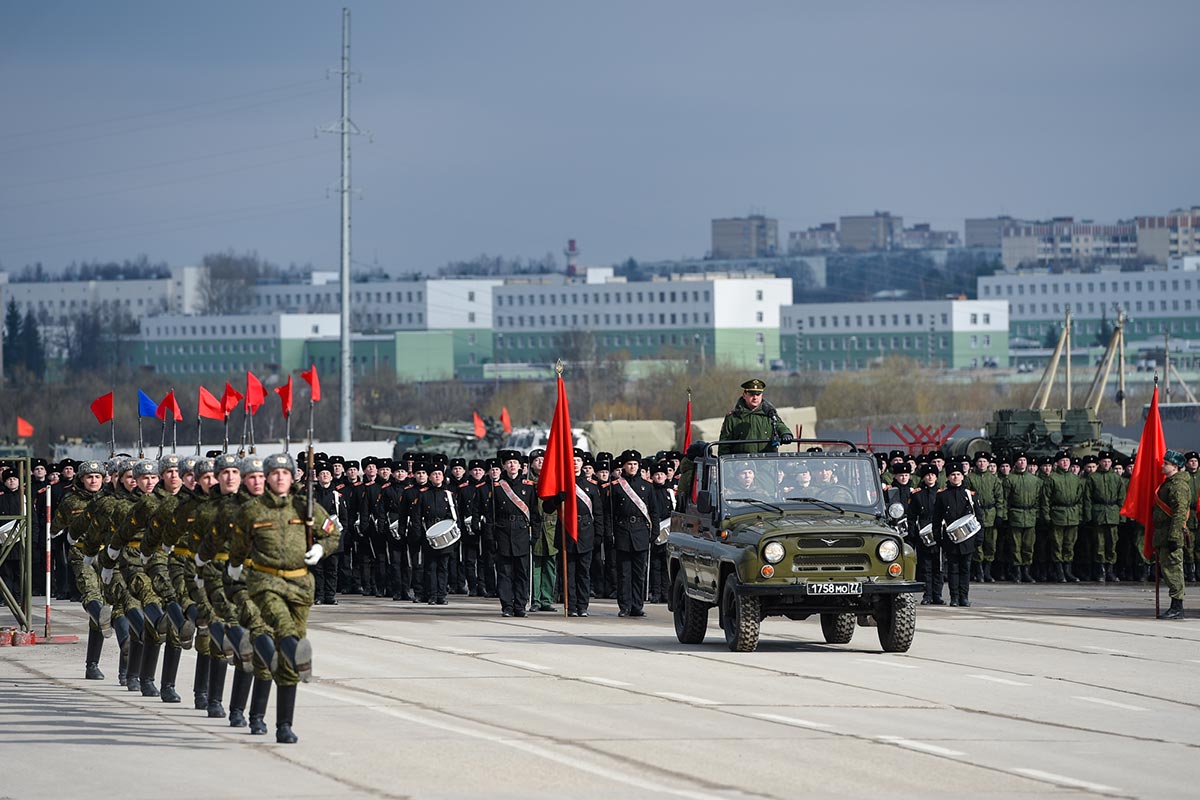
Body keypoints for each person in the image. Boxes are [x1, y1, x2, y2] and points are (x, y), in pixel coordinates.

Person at [230, 452, 341, 743]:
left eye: (286, 473)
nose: (280, 478)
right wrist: (232, 566)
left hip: (301, 585)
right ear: (267, 477)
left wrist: (321, 549)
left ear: (293, 477)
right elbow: (239, 544)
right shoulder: (253, 510)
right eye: (275, 473)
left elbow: (332, 533)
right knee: (283, 629)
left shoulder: (305, 507)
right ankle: (294, 653)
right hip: (265, 582)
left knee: (287, 660)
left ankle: (283, 725)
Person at [482, 450, 540, 617]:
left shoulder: (529, 487)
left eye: (515, 463)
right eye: (509, 463)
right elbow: (490, 516)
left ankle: (520, 605)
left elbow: (535, 515)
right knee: (505, 573)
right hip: (503, 532)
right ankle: (507, 606)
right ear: (504, 466)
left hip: (522, 532)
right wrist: (491, 537)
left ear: (521, 467)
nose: (512, 465)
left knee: (522, 573)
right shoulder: (498, 487)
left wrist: (534, 535)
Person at [607, 450, 662, 617]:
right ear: (623, 466)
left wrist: (654, 532)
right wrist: (610, 534)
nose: (632, 467)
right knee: (624, 573)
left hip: (641, 532)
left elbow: (654, 511)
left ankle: (637, 605)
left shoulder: (647, 486)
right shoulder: (616, 486)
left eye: (635, 464)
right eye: (629, 464)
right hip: (623, 531)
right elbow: (610, 513)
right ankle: (624, 606)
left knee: (639, 573)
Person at [1154, 450, 1191, 620]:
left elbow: (1179, 512)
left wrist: (1175, 537)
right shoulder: (1169, 483)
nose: (1163, 465)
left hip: (1171, 533)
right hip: (1164, 532)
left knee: (1173, 569)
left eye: (1166, 464)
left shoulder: (1178, 486)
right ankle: (1175, 605)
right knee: (1168, 569)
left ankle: (1177, 606)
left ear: (1175, 467)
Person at [935, 463, 978, 607]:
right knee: (953, 569)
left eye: (958, 474)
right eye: (952, 474)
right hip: (950, 538)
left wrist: (979, 538)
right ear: (948, 477)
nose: (955, 477)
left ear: (963, 476)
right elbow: (937, 519)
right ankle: (954, 597)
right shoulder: (942, 495)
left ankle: (964, 597)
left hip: (967, 538)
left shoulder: (969, 494)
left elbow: (979, 517)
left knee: (965, 569)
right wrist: (938, 537)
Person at [718, 379, 794, 454]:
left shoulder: (769, 414)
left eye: (758, 394)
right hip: (742, 463)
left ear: (762, 395)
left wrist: (785, 433)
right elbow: (724, 446)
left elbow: (779, 425)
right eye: (751, 394)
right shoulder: (733, 418)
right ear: (744, 395)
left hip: (767, 462)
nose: (755, 398)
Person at [908, 464, 944, 604]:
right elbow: (911, 516)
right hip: (922, 530)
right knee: (925, 566)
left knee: (938, 565)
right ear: (923, 477)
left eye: (933, 475)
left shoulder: (941, 493)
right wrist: (912, 534)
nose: (930, 477)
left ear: (936, 476)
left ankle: (937, 594)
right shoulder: (917, 494)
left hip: (938, 531)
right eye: (927, 475)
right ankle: (927, 594)